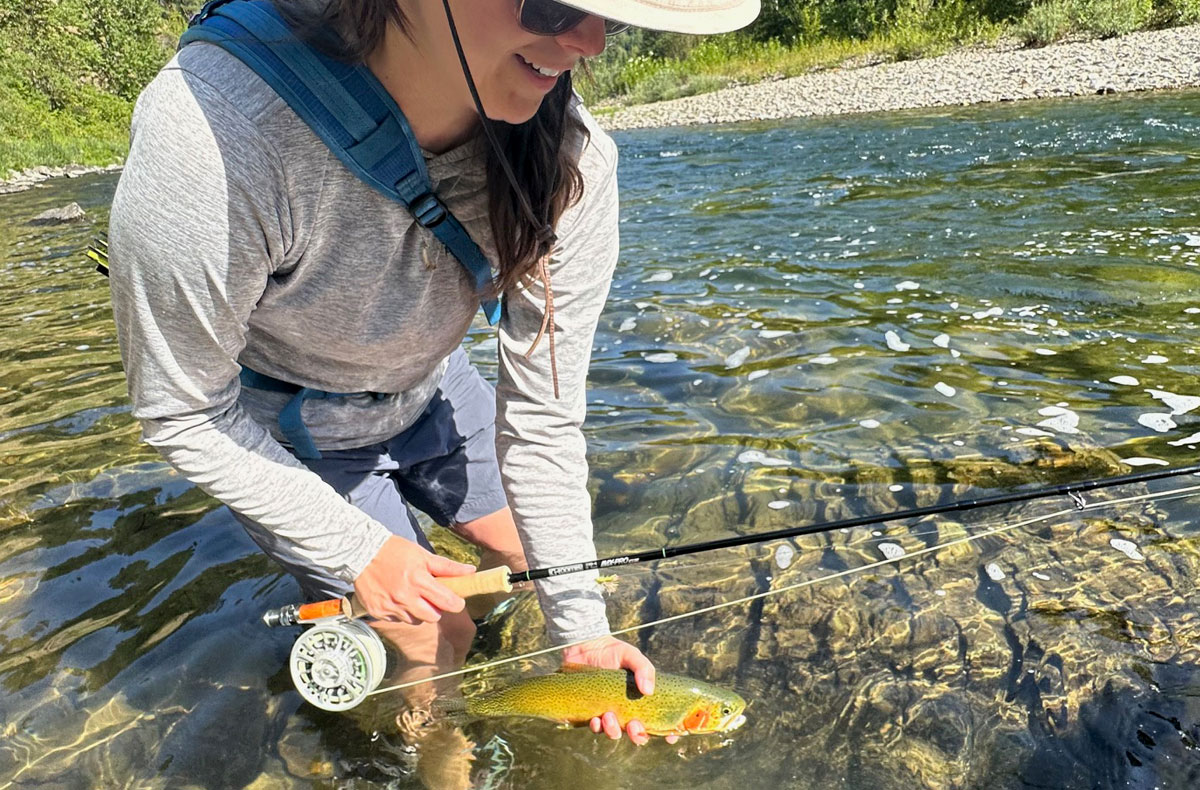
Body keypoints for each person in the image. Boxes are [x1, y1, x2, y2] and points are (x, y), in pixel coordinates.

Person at [108, 0, 759, 746]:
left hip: (432, 388)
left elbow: (543, 419)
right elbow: (182, 410)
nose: (591, 42)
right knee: (430, 637)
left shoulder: (574, 164)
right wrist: (358, 553)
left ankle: (473, 659)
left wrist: (580, 632)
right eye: (553, 2)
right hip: (294, 427)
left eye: (613, 10)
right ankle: (439, 746)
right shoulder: (216, 136)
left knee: (529, 557)